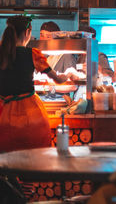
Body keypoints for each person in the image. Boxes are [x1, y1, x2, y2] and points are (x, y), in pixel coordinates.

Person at [0, 16, 78, 152]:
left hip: (3, 113)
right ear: (27, 33)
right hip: (29, 114)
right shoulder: (33, 54)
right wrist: (69, 74)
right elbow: (58, 80)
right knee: (34, 154)